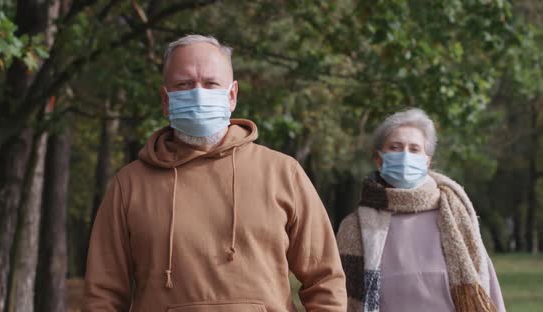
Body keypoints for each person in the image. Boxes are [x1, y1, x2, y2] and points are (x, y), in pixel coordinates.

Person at [82, 34, 347, 311]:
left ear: (231, 95)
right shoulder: (130, 184)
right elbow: (103, 295)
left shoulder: (283, 173)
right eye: (184, 84)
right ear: (165, 99)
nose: (198, 93)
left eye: (211, 83)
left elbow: (325, 281)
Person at [336, 108, 505, 312]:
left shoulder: (455, 215)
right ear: (379, 159)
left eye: (414, 149)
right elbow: (340, 297)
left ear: (427, 161)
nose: (405, 156)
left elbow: (485, 289)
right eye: (395, 147)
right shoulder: (353, 227)